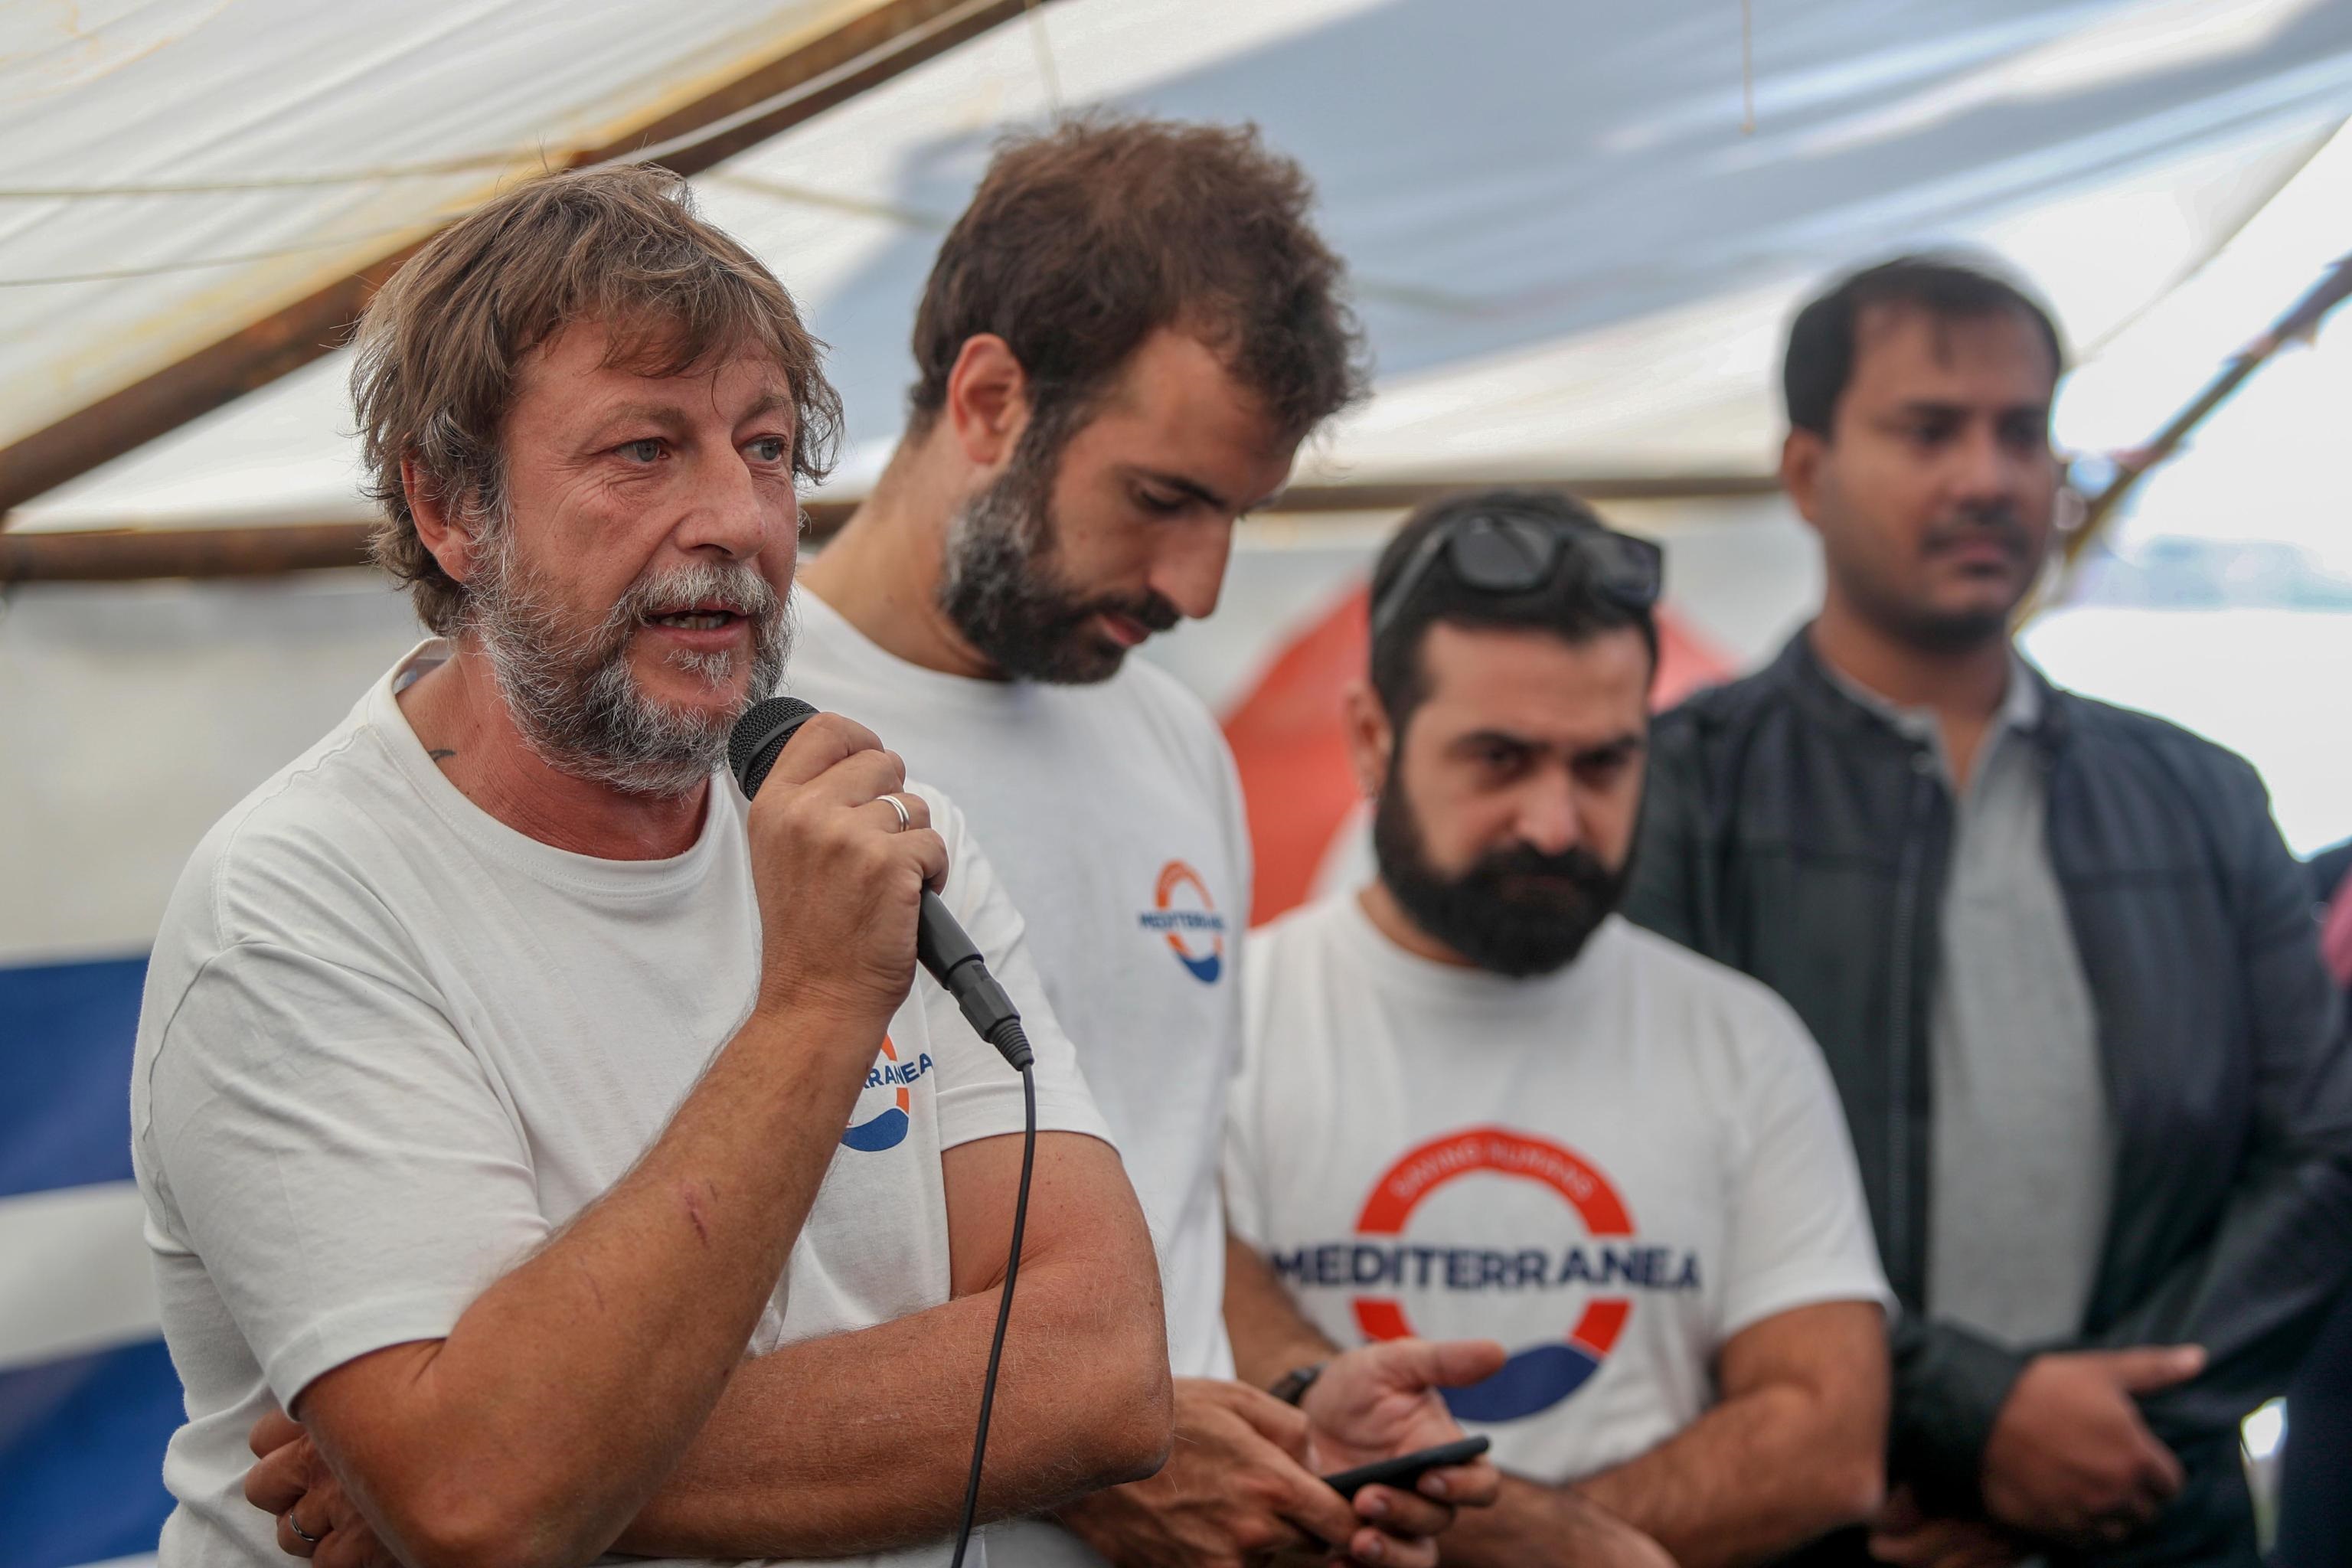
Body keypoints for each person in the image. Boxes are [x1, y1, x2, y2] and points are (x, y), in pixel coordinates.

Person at [137, 166, 1173, 1568]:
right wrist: (813, 1007)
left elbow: (1101, 1372)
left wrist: (534, 1468)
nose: (740, 522)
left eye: (761, 451)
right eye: (643, 450)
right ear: (451, 508)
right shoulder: (300, 904)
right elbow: (491, 1502)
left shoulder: (876, 830)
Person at [789, 116, 1504, 1568]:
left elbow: (1169, 1200)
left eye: (1236, 515)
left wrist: (1294, 1417)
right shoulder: (725, 727)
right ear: (989, 399)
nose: (1200, 584)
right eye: (1163, 499)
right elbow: (672, 1275)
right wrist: (1093, 1459)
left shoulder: (1174, 743)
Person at [1626, 255, 2352, 1566]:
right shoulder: (1679, 791)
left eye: (2024, 432)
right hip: (1820, 1521)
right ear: (1807, 473)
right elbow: (1654, 1173)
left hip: (2151, 1512)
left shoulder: (2200, 798)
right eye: (1928, 429)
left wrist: (2098, 1436)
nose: (1989, 476)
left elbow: (2322, 1158)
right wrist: (1969, 1425)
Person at [1222, 488, 1895, 1568]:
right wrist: (1557, 1545)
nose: (1554, 823)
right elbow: (1160, 1396)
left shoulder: (1741, 1041)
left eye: (1603, 765)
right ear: (1370, 738)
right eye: (1500, 759)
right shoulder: (1228, 1028)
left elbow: (1827, 1440)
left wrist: (1439, 1530)